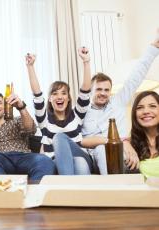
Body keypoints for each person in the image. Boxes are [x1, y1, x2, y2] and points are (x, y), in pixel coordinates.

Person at [82, 32, 159, 174]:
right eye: (99, 89)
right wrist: (121, 140)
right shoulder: (82, 111)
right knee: (101, 149)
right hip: (93, 156)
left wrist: (153, 48)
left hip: (122, 154)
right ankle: (114, 189)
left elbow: (136, 76)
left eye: (107, 90)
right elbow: (81, 140)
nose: (103, 93)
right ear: (90, 91)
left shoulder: (117, 102)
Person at [25, 47, 97, 175]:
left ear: (68, 99)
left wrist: (86, 62)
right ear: (50, 99)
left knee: (62, 141)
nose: (59, 97)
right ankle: (72, 190)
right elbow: (37, 94)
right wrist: (30, 66)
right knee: (79, 164)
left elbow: (85, 91)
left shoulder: (76, 115)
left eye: (64, 93)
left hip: (80, 155)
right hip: (57, 162)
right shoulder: (44, 121)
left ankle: (65, 185)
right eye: (55, 93)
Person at [0, 91, 55, 181]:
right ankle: (3, 191)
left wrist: (21, 107)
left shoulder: (17, 120)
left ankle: (32, 192)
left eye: (0, 103)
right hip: (1, 158)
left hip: (24, 157)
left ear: (5, 105)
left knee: (45, 160)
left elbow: (30, 129)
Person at [124, 91, 159, 171]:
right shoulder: (130, 144)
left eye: (152, 106)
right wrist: (124, 143)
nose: (146, 111)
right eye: (140, 108)